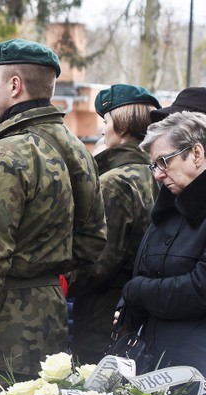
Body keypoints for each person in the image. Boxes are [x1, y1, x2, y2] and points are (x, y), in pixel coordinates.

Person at [0, 39, 107, 377]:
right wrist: (44, 275)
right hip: (51, 324)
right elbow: (93, 240)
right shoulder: (78, 150)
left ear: (15, 85)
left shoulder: (4, 156)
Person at [67, 84, 160, 364]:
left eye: (106, 121)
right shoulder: (155, 174)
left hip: (103, 321)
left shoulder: (115, 183)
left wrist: (58, 279)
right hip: (141, 317)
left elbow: (98, 262)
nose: (103, 130)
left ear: (122, 126)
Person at [122, 111, 206, 375]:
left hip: (195, 369)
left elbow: (199, 289)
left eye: (164, 161)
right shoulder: (168, 207)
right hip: (156, 360)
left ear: (196, 153)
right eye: (154, 165)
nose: (158, 174)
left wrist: (136, 292)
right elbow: (144, 267)